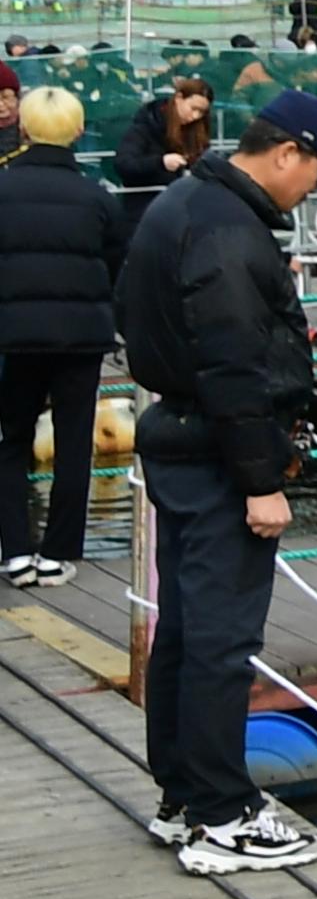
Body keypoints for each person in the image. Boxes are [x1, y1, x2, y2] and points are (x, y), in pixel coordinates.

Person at [123, 89, 317, 874]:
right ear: (286, 152)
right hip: (219, 452)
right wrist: (261, 479)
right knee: (221, 640)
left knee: (186, 631)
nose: (314, 192)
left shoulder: (187, 202)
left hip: (178, 439)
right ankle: (223, 813)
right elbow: (231, 360)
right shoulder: (228, 230)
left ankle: (183, 793)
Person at [0, 86, 125, 588]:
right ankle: (57, 554)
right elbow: (117, 264)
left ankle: (14, 552)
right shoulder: (98, 197)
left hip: (11, 336)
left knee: (11, 442)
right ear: (76, 132)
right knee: (75, 444)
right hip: (81, 337)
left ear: (24, 130)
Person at [116, 77, 216, 199]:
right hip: (145, 202)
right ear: (179, 98)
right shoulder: (145, 126)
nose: (195, 116)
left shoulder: (197, 131)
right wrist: (161, 162)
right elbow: (124, 164)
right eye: (193, 108)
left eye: (201, 112)